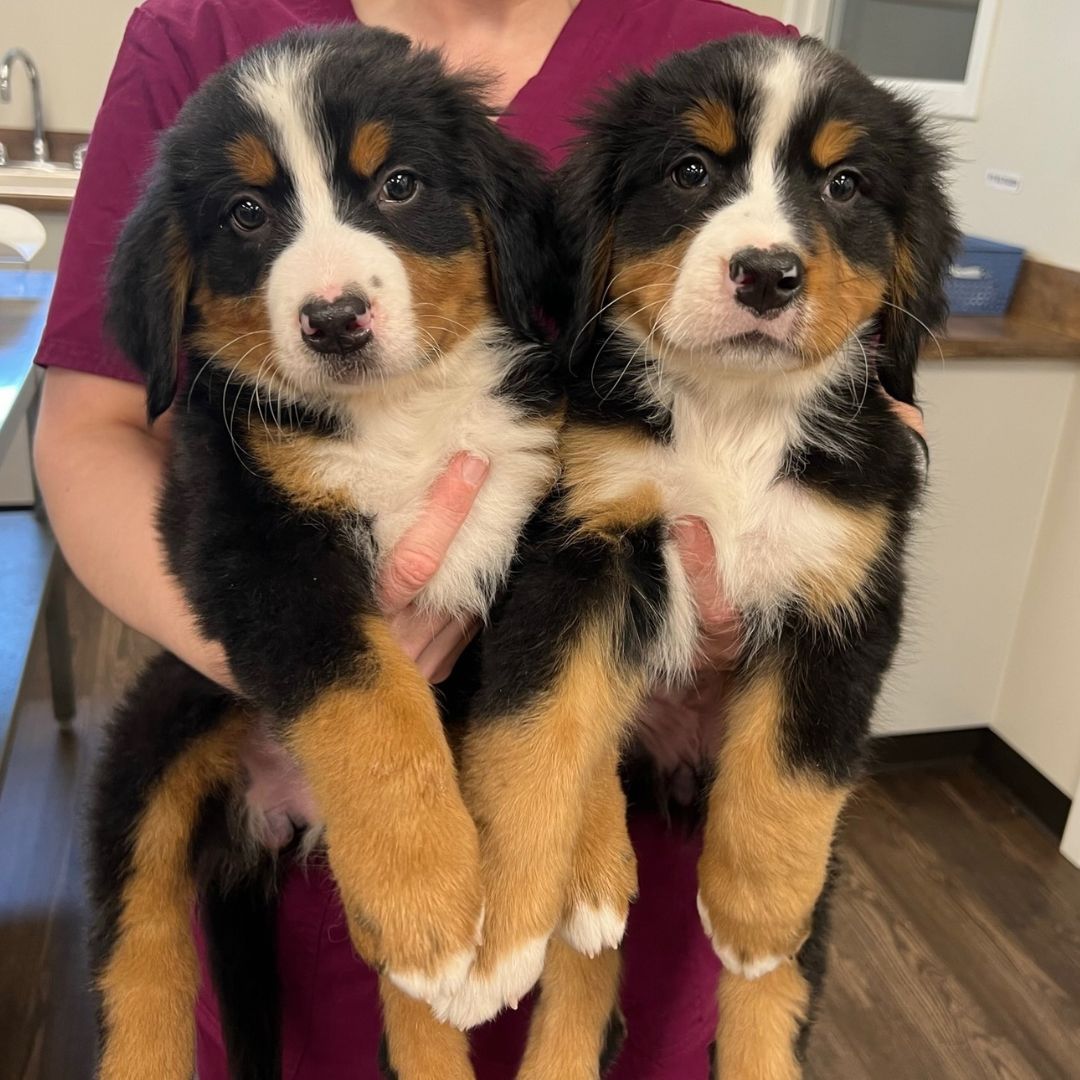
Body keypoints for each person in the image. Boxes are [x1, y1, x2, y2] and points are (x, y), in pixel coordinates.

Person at [32, 1, 919, 1076]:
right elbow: (89, 431)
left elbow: (870, 404)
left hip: (652, 858)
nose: (331, 288)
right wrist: (304, 665)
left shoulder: (740, 49)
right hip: (332, 833)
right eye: (254, 214)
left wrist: (770, 577)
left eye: (399, 187)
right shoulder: (198, 29)